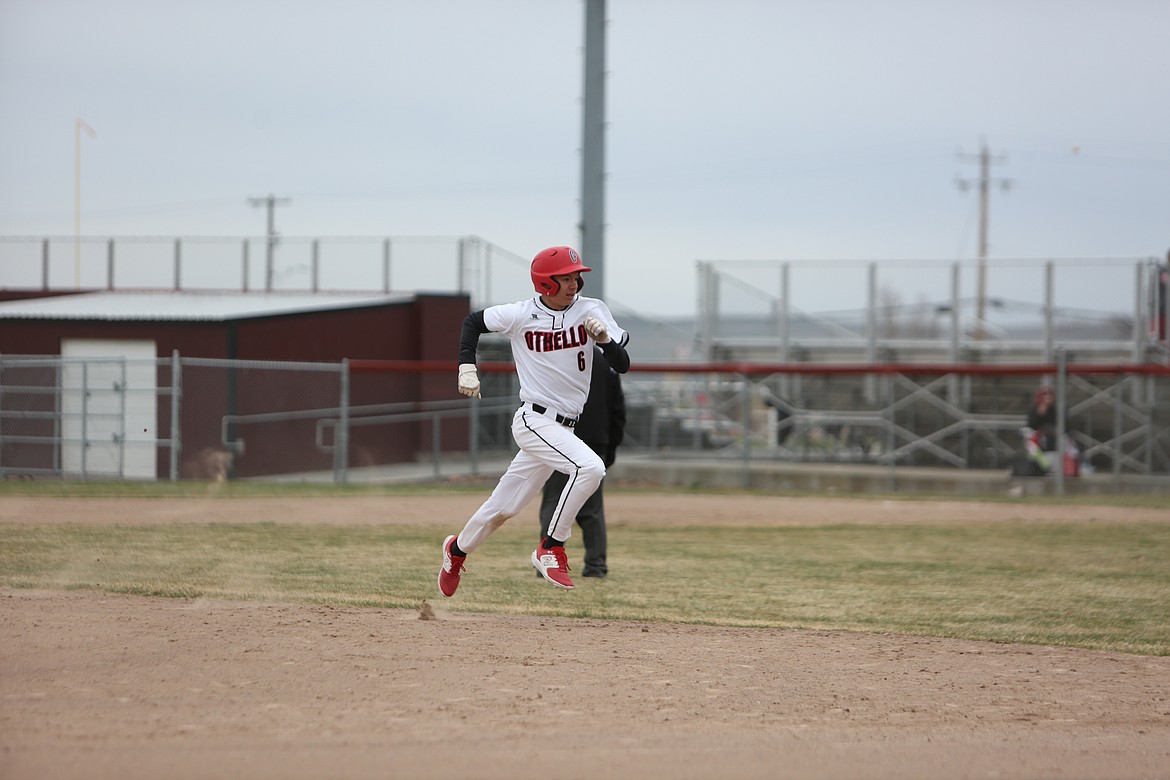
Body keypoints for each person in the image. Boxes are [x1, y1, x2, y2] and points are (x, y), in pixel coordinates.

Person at [438, 246, 630, 596]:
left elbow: (623, 362)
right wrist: (466, 364)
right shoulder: (520, 315)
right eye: (566, 278)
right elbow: (473, 323)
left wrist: (603, 341)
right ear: (545, 284)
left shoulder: (592, 310)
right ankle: (551, 546)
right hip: (534, 420)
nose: (574, 283)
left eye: (576, 277)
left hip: (565, 426)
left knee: (502, 508)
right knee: (590, 468)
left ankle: (456, 550)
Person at [536, 345, 626, 579]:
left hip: (559, 435)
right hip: (596, 440)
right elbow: (618, 406)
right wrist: (611, 445)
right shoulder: (606, 359)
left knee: (554, 501)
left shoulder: (554, 353)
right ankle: (595, 565)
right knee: (592, 507)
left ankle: (548, 560)